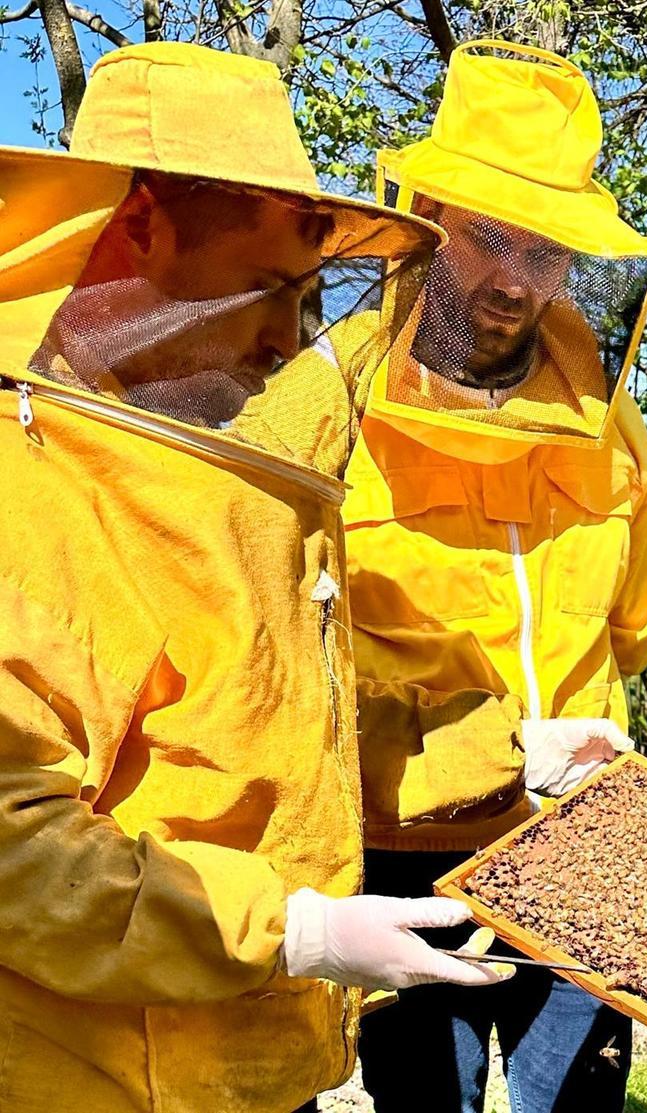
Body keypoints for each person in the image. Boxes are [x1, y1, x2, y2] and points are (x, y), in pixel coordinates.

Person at [0, 42, 515, 1113]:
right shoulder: (24, 483)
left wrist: (516, 756)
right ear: (138, 226)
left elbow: (273, 717)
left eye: (311, 294)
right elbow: (14, 843)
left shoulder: (193, 464)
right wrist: (293, 930)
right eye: (267, 287)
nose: (288, 339)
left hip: (241, 1067)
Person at [344, 39, 647, 1113]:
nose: (513, 279)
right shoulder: (336, 408)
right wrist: (481, 746)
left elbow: (635, 622)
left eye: (543, 249)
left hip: (582, 846)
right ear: (426, 215)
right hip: (408, 849)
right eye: (488, 235)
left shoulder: (610, 425)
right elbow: (298, 660)